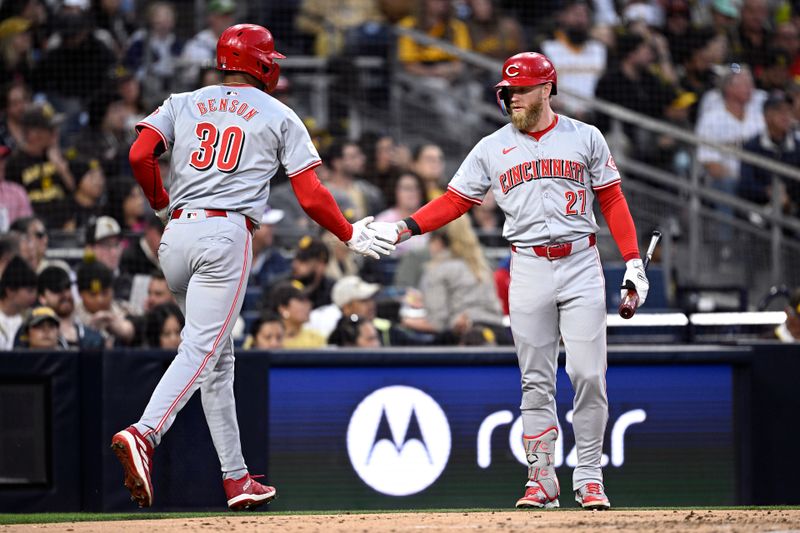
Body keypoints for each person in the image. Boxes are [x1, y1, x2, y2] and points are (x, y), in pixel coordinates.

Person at [112, 23, 392, 511]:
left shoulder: (182, 99)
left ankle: (237, 479)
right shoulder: (279, 114)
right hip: (225, 235)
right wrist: (348, 233)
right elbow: (311, 193)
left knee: (218, 360)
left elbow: (140, 153)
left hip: (175, 235)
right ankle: (145, 433)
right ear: (262, 64)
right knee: (202, 347)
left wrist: (161, 201)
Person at [370, 52, 649, 510]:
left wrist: (633, 261)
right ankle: (541, 479)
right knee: (534, 381)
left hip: (581, 261)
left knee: (587, 375)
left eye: (520, 90)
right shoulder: (491, 147)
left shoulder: (586, 137)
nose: (512, 97)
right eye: (507, 91)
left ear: (546, 89)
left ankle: (590, 476)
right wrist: (404, 228)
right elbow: (455, 201)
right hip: (528, 265)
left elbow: (613, 200)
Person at [0, 255, 38, 349]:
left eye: (35, 291)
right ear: (10, 291)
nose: (34, 295)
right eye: (30, 291)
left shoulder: (32, 318)